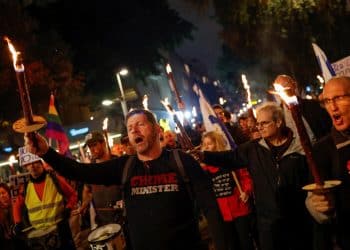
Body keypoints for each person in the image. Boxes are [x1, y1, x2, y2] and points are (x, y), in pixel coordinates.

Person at [25, 109, 227, 250]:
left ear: (157, 129)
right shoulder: (125, 166)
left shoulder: (182, 161)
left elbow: (211, 209)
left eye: (140, 124)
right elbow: (80, 171)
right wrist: (46, 153)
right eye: (130, 128)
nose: (134, 130)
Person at [202, 102, 313, 250]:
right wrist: (204, 156)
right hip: (267, 224)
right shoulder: (253, 148)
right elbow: (230, 157)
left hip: (298, 220)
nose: (259, 127)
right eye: (258, 123)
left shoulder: (299, 148)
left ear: (278, 122)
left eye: (264, 123)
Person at [305, 76, 350, 250]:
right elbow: (315, 194)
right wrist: (318, 205)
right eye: (327, 101)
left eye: (338, 98)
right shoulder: (321, 150)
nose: (332, 107)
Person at [12, 147, 77, 250]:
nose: (32, 166)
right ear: (26, 167)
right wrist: (17, 223)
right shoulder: (24, 188)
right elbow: (16, 205)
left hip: (61, 232)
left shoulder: (55, 180)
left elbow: (73, 195)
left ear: (41, 162)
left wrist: (68, 208)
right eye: (29, 164)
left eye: (35, 162)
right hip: (38, 238)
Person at [201, 131, 255, 250]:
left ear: (217, 143)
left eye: (209, 144)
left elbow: (246, 177)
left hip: (239, 208)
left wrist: (246, 191)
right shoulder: (205, 168)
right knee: (232, 243)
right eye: (204, 144)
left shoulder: (229, 160)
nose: (206, 147)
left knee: (245, 242)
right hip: (222, 213)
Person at [272, 74, 332, 142]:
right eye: (280, 87)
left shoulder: (312, 105)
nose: (284, 89)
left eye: (286, 84)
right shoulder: (278, 115)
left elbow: (327, 127)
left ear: (294, 85)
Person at [84, 131, 123, 226]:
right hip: (103, 222)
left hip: (122, 218)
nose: (92, 149)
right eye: (89, 147)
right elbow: (87, 190)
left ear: (103, 143)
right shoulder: (90, 169)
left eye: (94, 145)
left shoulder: (118, 162)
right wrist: (83, 206)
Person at [0, 182, 27, 250]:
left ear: (8, 193)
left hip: (20, 242)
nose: (1, 196)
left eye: (3, 193)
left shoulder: (15, 205)